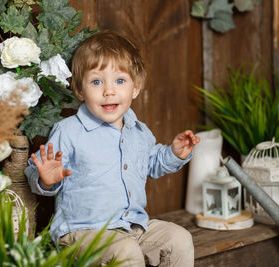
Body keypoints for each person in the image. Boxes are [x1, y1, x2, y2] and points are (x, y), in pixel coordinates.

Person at [25, 30, 200, 267]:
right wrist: (46, 180)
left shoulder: (139, 131)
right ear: (79, 90)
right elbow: (40, 171)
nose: (109, 91)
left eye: (120, 81)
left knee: (179, 239)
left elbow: (153, 163)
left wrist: (174, 153)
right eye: (96, 82)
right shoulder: (68, 131)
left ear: (135, 88)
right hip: (82, 233)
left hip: (132, 228)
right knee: (126, 253)